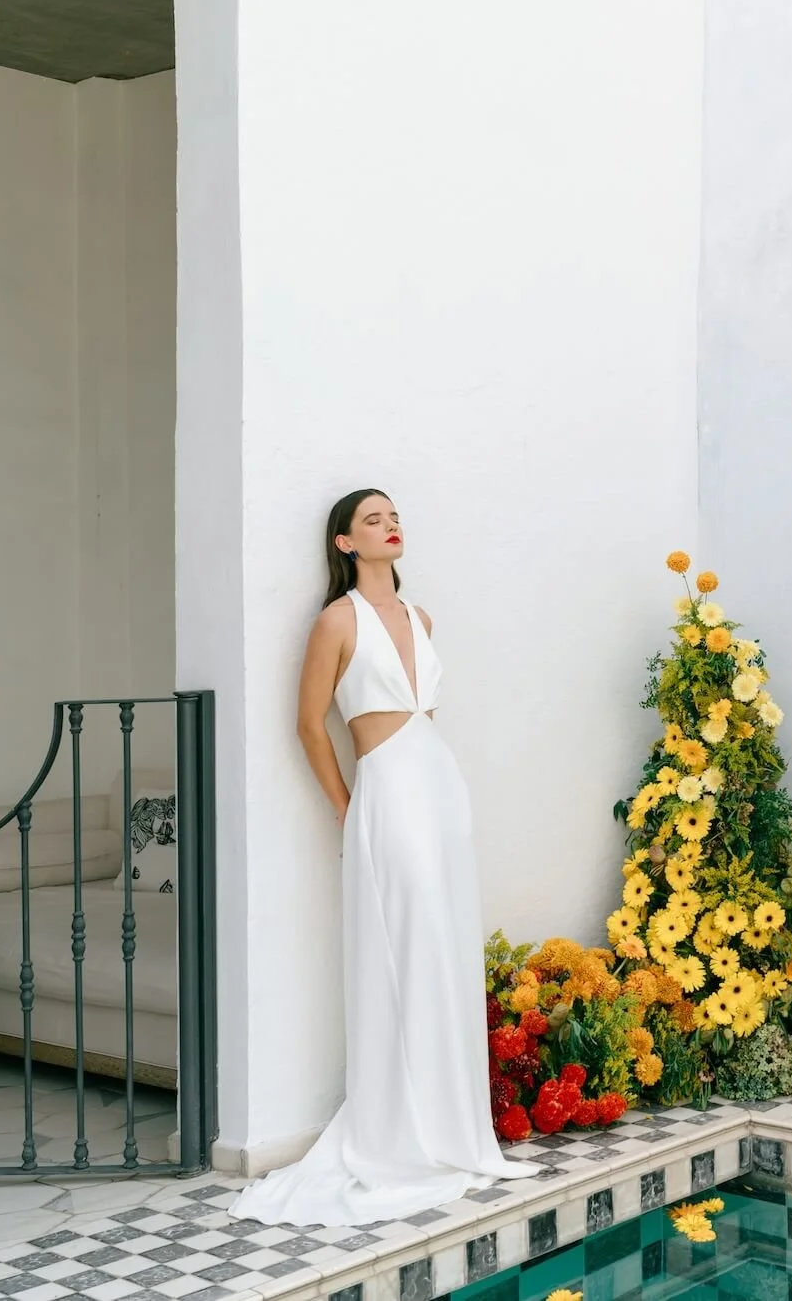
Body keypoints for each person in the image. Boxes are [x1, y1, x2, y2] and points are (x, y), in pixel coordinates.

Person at [231, 489, 538, 1226]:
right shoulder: (337, 622)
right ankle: (398, 1134)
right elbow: (309, 726)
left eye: (394, 515)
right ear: (344, 544)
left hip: (441, 790)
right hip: (387, 792)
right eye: (373, 519)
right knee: (399, 953)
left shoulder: (421, 618)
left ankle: (452, 1129)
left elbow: (426, 718)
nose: (391, 526)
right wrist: (347, 806)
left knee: (445, 951)